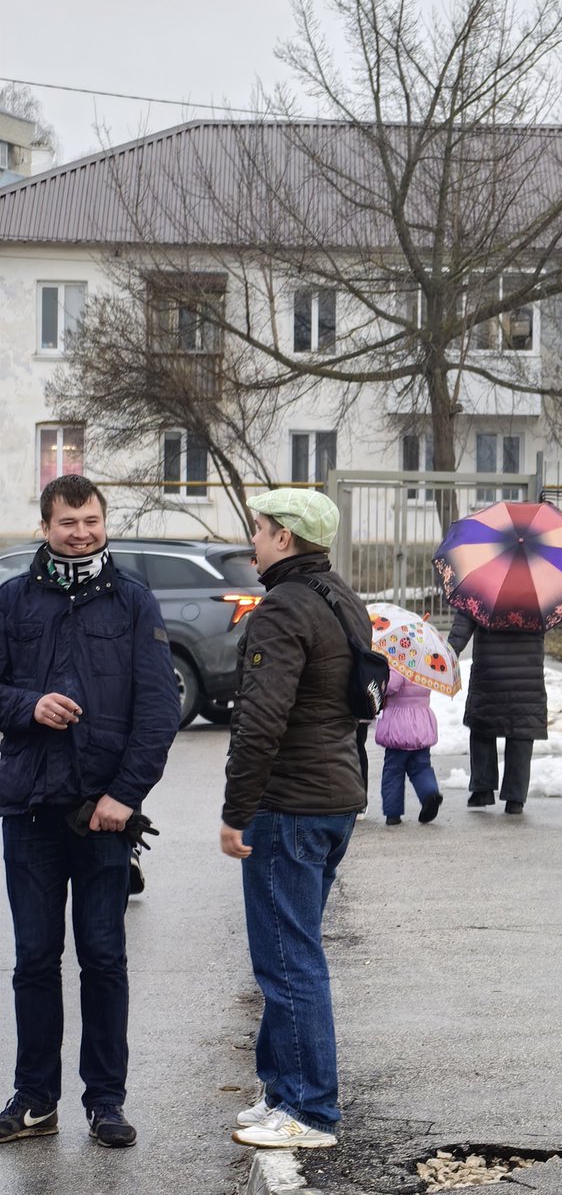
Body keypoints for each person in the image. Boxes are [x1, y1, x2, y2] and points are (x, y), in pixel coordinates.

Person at [0, 474, 180, 1148]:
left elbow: (158, 710)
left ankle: (106, 1101)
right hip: (29, 810)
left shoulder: (132, 602)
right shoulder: (13, 599)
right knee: (34, 961)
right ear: (45, 525)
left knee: (103, 958)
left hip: (104, 815)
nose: (81, 532)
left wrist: (126, 796)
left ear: (106, 522)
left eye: (91, 520)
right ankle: (34, 1099)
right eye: (68, 521)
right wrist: (28, 705)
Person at [220, 488, 370, 1150]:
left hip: (289, 805)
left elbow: (259, 723)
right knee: (290, 950)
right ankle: (282, 1090)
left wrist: (235, 810)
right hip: (334, 798)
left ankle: (310, 1110)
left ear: (283, 536)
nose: (252, 540)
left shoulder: (282, 608)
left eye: (258, 529)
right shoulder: (342, 598)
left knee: (287, 961)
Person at [447, 612, 547, 815]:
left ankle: (482, 789)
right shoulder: (542, 592)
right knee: (522, 731)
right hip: (527, 675)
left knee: (482, 725)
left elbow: (464, 621)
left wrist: (450, 651)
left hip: (490, 670)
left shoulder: (482, 586)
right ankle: (515, 797)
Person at [375, 669, 443, 825]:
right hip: (421, 723)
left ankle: (393, 813)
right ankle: (430, 794)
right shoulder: (425, 663)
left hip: (399, 726)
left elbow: (391, 686)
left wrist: (382, 678)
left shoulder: (400, 663)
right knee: (422, 767)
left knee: (393, 771)